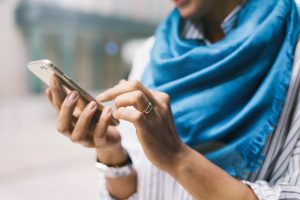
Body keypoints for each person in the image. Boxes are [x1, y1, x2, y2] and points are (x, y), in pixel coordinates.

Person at [46, 0, 300, 199]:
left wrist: (178, 158)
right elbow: (142, 191)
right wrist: (111, 152)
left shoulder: (293, 45)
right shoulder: (153, 52)